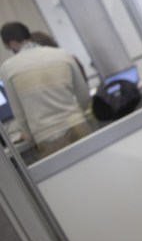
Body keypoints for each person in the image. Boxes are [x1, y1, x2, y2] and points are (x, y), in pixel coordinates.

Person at [1, 22, 92, 158]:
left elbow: (19, 112)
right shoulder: (63, 54)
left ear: (12, 43)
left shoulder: (8, 68)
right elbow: (84, 95)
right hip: (77, 124)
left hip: (46, 136)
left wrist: (31, 137)